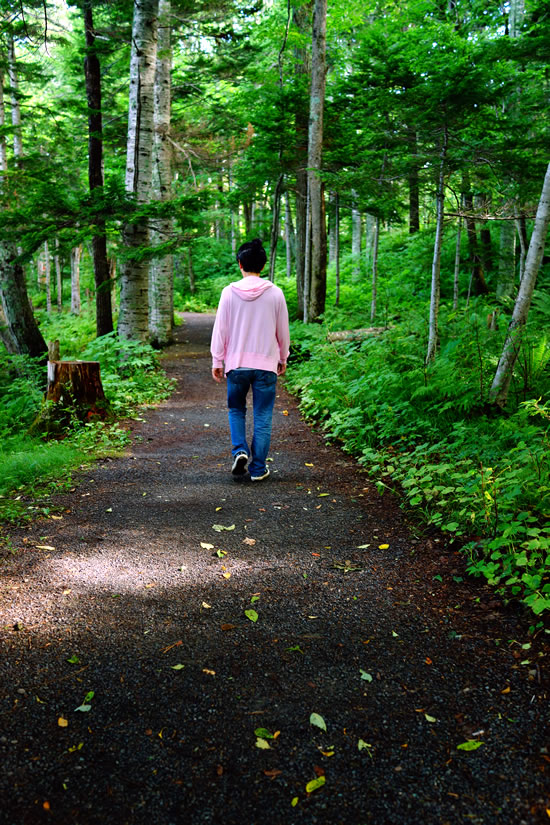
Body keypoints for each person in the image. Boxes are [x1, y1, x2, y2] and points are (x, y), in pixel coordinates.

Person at [210, 238, 290, 481]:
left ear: (240, 264)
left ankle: (240, 451)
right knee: (263, 415)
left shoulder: (228, 292)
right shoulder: (275, 293)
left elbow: (220, 329)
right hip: (266, 365)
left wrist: (217, 360)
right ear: (263, 266)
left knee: (236, 409)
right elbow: (282, 331)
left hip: (236, 365)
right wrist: (283, 357)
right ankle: (257, 470)